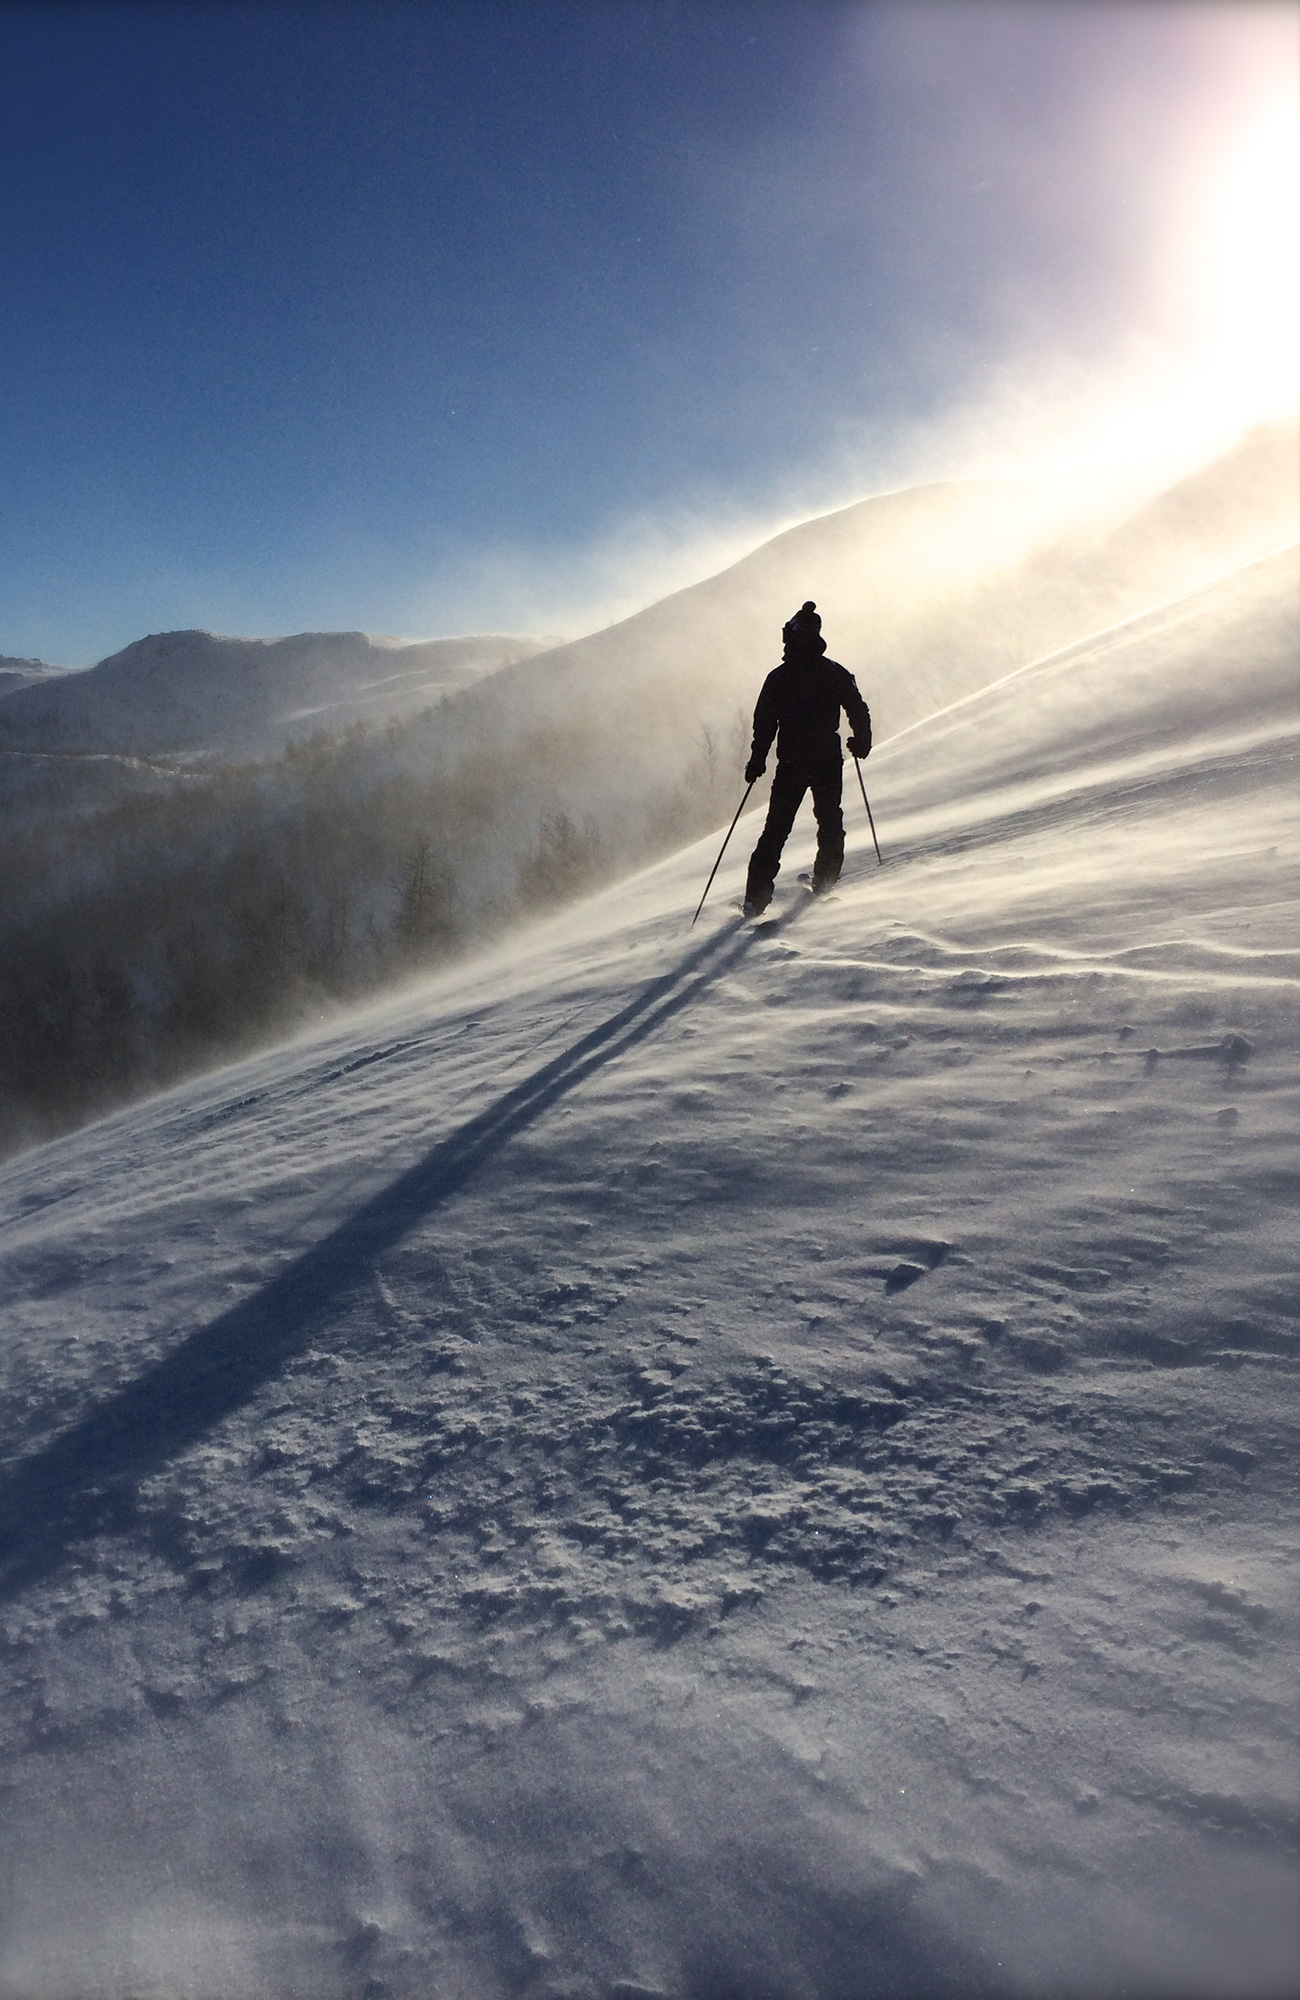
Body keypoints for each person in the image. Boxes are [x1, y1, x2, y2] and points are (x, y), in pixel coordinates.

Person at [742, 601, 871, 916]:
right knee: (829, 822)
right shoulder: (835, 672)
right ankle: (824, 882)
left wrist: (757, 760)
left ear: (792, 637)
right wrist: (861, 741)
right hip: (828, 761)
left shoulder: (779, 678)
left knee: (776, 829)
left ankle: (755, 900)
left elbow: (764, 723)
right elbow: (857, 707)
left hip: (791, 764)